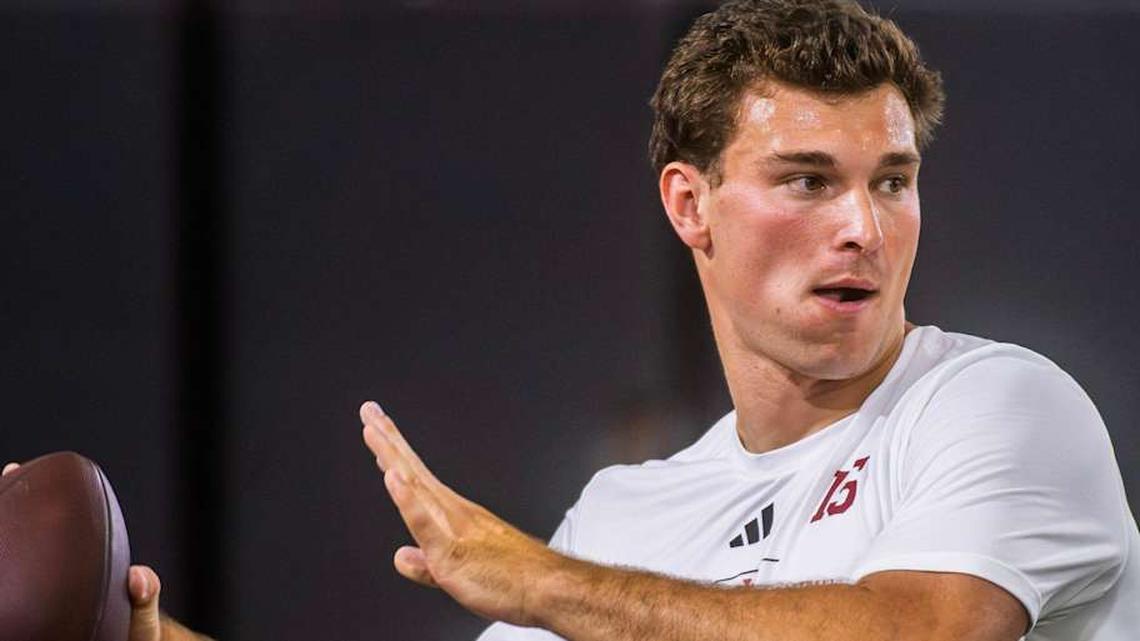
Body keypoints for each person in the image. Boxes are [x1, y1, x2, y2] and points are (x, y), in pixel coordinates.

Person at [15, 1, 1135, 639]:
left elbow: (925, 634)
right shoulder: (627, 516)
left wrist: (542, 580)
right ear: (689, 204)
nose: (864, 228)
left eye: (891, 181)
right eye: (807, 180)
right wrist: (145, 639)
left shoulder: (996, 403)